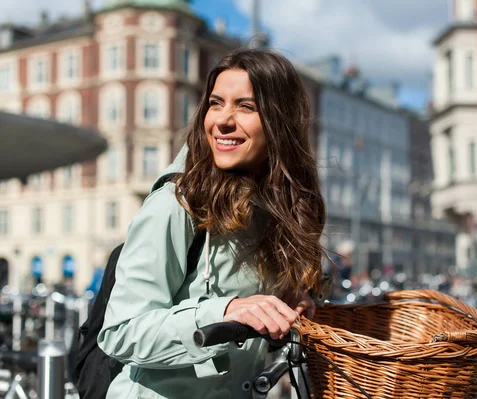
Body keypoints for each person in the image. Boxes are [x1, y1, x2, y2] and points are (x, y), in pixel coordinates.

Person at [97, 49, 326, 398]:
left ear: (282, 122)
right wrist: (226, 311)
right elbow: (121, 331)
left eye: (246, 107)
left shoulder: (276, 210)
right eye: (216, 103)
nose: (222, 120)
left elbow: (243, 348)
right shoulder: (177, 203)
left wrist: (283, 316)